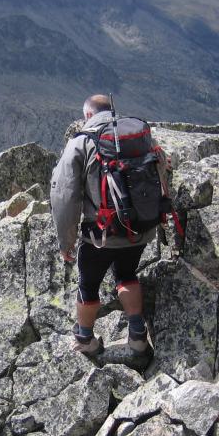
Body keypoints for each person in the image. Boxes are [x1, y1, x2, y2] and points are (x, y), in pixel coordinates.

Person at [50, 94, 163, 355]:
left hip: (102, 232)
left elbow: (64, 195)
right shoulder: (137, 135)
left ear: (88, 115)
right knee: (126, 275)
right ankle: (137, 335)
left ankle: (85, 340)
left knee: (88, 284)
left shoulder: (82, 142)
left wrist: (66, 242)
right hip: (141, 228)